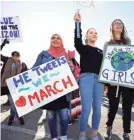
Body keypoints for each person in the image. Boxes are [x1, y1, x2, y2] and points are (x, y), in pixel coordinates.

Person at [32, 34, 75, 140]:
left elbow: (72, 73)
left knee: (64, 117)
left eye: (58, 38)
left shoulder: (67, 55)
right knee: (51, 117)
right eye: (53, 38)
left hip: (63, 92)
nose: (55, 39)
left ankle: (64, 135)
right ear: (50, 40)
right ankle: (54, 137)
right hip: (49, 92)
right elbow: (34, 70)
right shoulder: (43, 54)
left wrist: (71, 67)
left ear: (62, 41)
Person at [74, 13, 105, 140]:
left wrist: (107, 83)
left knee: (97, 108)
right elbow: (77, 39)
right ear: (87, 36)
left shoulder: (101, 51)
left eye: (95, 33)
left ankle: (94, 133)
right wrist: (77, 23)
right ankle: (82, 133)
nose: (94, 34)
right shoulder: (83, 48)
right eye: (91, 32)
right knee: (86, 108)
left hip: (99, 80)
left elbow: (105, 68)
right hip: (85, 78)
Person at [104, 19, 134, 140]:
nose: (118, 25)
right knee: (113, 107)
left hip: (127, 81)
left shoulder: (128, 42)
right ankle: (109, 127)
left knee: (127, 107)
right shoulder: (108, 44)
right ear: (112, 27)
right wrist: (107, 81)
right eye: (116, 23)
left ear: (123, 27)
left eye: (121, 23)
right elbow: (106, 62)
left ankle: (126, 132)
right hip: (113, 81)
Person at [1, 50, 28, 125]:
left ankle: (11, 118)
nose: (15, 57)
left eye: (17, 55)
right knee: (13, 103)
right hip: (6, 86)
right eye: (14, 55)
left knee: (13, 103)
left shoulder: (22, 64)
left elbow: (26, 73)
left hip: (16, 87)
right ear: (12, 56)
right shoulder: (7, 60)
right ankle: (19, 117)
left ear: (19, 56)